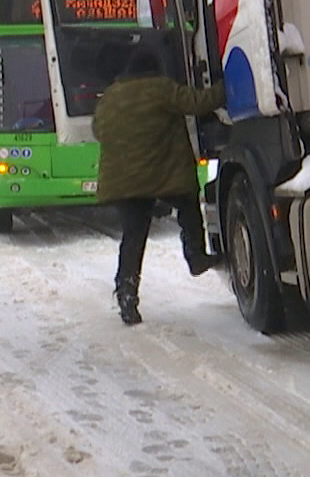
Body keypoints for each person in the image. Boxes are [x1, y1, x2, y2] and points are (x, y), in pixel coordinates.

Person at [92, 45, 226, 325]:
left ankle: (127, 293)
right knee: (188, 204)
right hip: (164, 175)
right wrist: (228, 85)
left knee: (134, 236)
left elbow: (98, 130)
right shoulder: (161, 88)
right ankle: (196, 256)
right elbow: (198, 103)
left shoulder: (110, 97)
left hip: (124, 182)